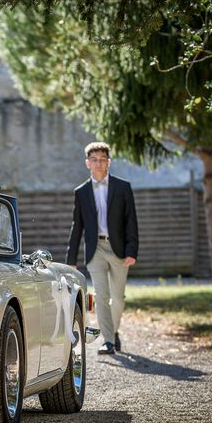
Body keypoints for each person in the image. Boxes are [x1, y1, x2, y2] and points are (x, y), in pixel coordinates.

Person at [66, 142, 138, 355]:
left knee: (118, 297)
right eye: (94, 160)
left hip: (119, 248)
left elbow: (130, 220)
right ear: (88, 163)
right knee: (100, 296)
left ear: (109, 162)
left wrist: (131, 251)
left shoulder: (123, 187)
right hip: (94, 249)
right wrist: (72, 257)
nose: (99, 163)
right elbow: (76, 225)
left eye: (102, 159)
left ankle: (113, 332)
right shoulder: (81, 192)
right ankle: (108, 340)